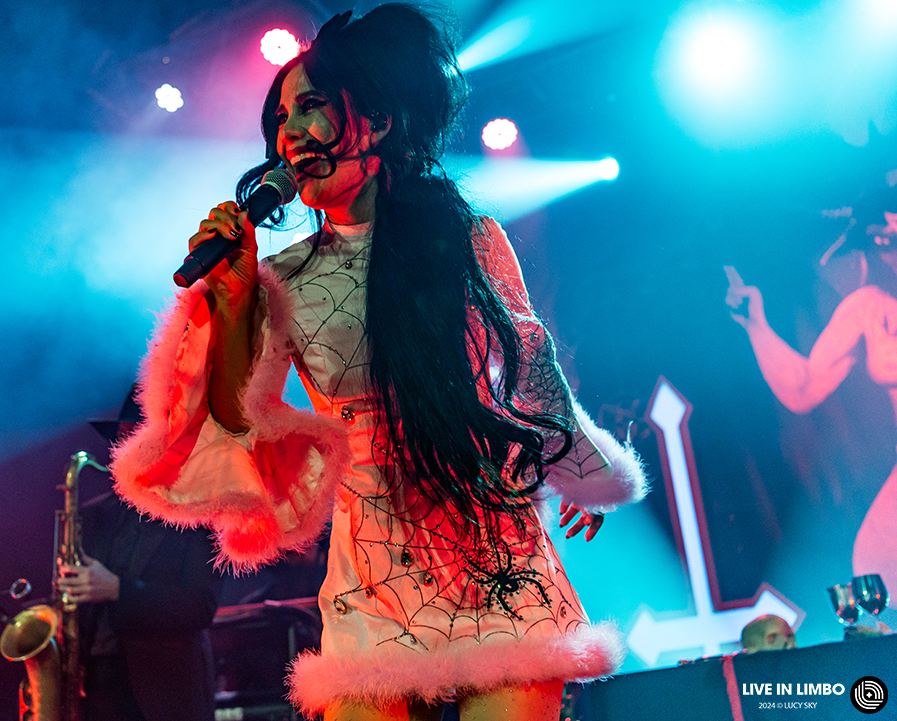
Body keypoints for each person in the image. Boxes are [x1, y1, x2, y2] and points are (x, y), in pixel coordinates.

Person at [111, 6, 647, 720]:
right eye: (280, 117)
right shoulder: (284, 278)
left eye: (310, 106)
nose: (289, 132)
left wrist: (569, 462)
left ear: (380, 121)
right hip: (371, 567)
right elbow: (239, 420)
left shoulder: (469, 240)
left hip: (492, 548)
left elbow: (528, 364)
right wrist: (235, 298)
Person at [724, 188, 897, 598]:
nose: (887, 245)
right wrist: (755, 324)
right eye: (880, 237)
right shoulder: (869, 307)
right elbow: (803, 388)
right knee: (877, 567)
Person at [56, 389, 221, 721]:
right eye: (121, 436)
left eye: (135, 435)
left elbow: (199, 607)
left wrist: (118, 590)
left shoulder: (199, 513)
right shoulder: (93, 515)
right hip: (96, 687)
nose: (124, 447)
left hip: (166, 695)